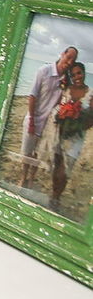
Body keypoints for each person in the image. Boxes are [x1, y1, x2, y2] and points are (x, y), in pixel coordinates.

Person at [23, 45, 77, 187]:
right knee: (27, 152)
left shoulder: (66, 80)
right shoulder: (44, 71)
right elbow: (32, 96)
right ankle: (23, 178)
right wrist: (32, 121)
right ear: (62, 54)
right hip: (33, 119)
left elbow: (64, 101)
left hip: (49, 125)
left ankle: (31, 179)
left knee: (38, 154)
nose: (69, 62)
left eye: (73, 60)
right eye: (68, 57)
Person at [49, 61, 91, 211]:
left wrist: (76, 122)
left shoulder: (90, 94)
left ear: (84, 73)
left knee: (65, 171)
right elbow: (59, 106)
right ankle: (54, 192)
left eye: (79, 73)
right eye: (73, 75)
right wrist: (61, 115)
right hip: (59, 134)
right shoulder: (67, 90)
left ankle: (56, 197)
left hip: (76, 139)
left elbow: (91, 121)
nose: (76, 77)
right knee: (56, 166)